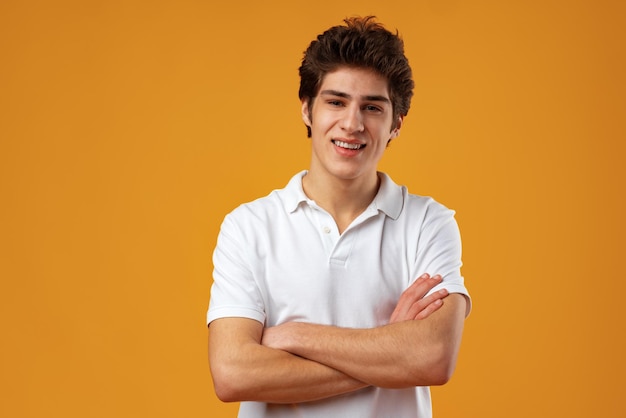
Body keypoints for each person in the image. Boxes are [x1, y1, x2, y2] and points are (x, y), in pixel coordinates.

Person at [207, 16, 471, 417]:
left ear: (396, 124)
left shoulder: (428, 224)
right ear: (307, 110)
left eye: (372, 107)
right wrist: (391, 349)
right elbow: (232, 373)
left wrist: (293, 336)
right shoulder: (249, 227)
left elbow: (432, 357)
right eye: (336, 101)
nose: (352, 123)